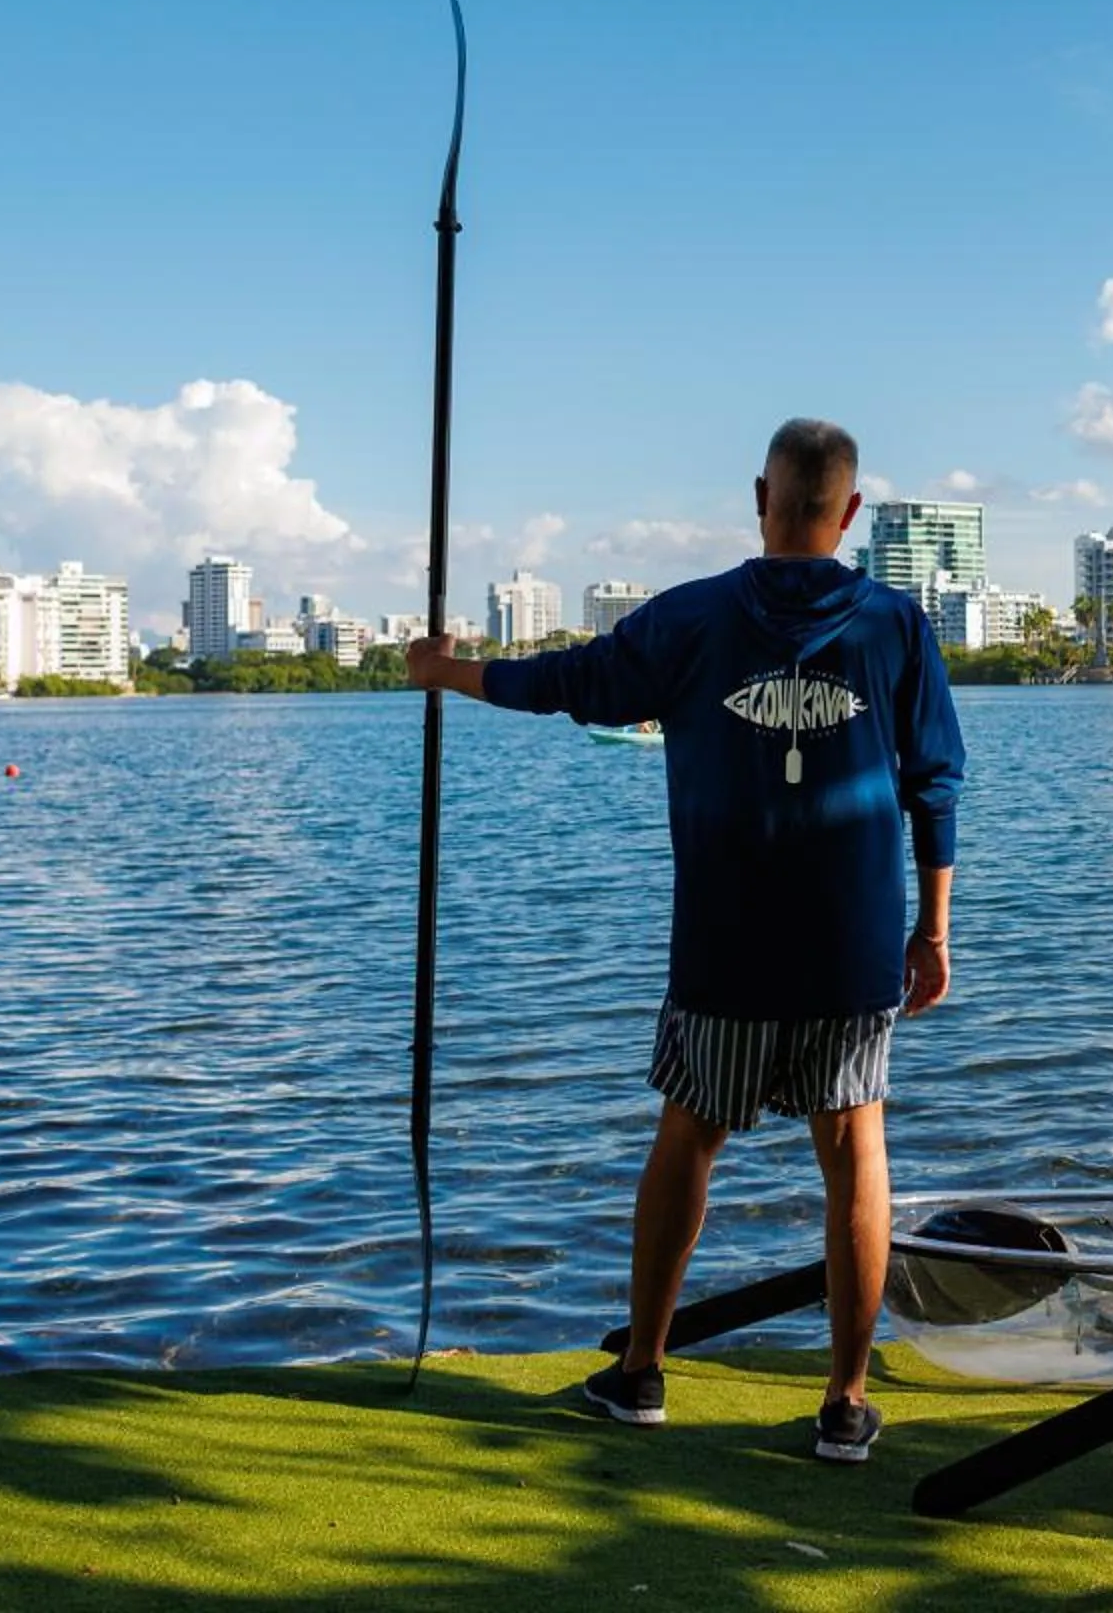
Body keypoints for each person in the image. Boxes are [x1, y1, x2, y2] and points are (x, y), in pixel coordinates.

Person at [406, 418, 964, 1464]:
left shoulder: (693, 618)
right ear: (848, 513)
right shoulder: (897, 626)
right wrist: (933, 928)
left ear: (762, 495)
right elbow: (936, 783)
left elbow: (567, 680)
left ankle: (643, 1371)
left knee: (689, 1135)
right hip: (852, 950)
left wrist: (448, 672)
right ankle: (844, 1403)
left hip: (726, 950)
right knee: (855, 1154)